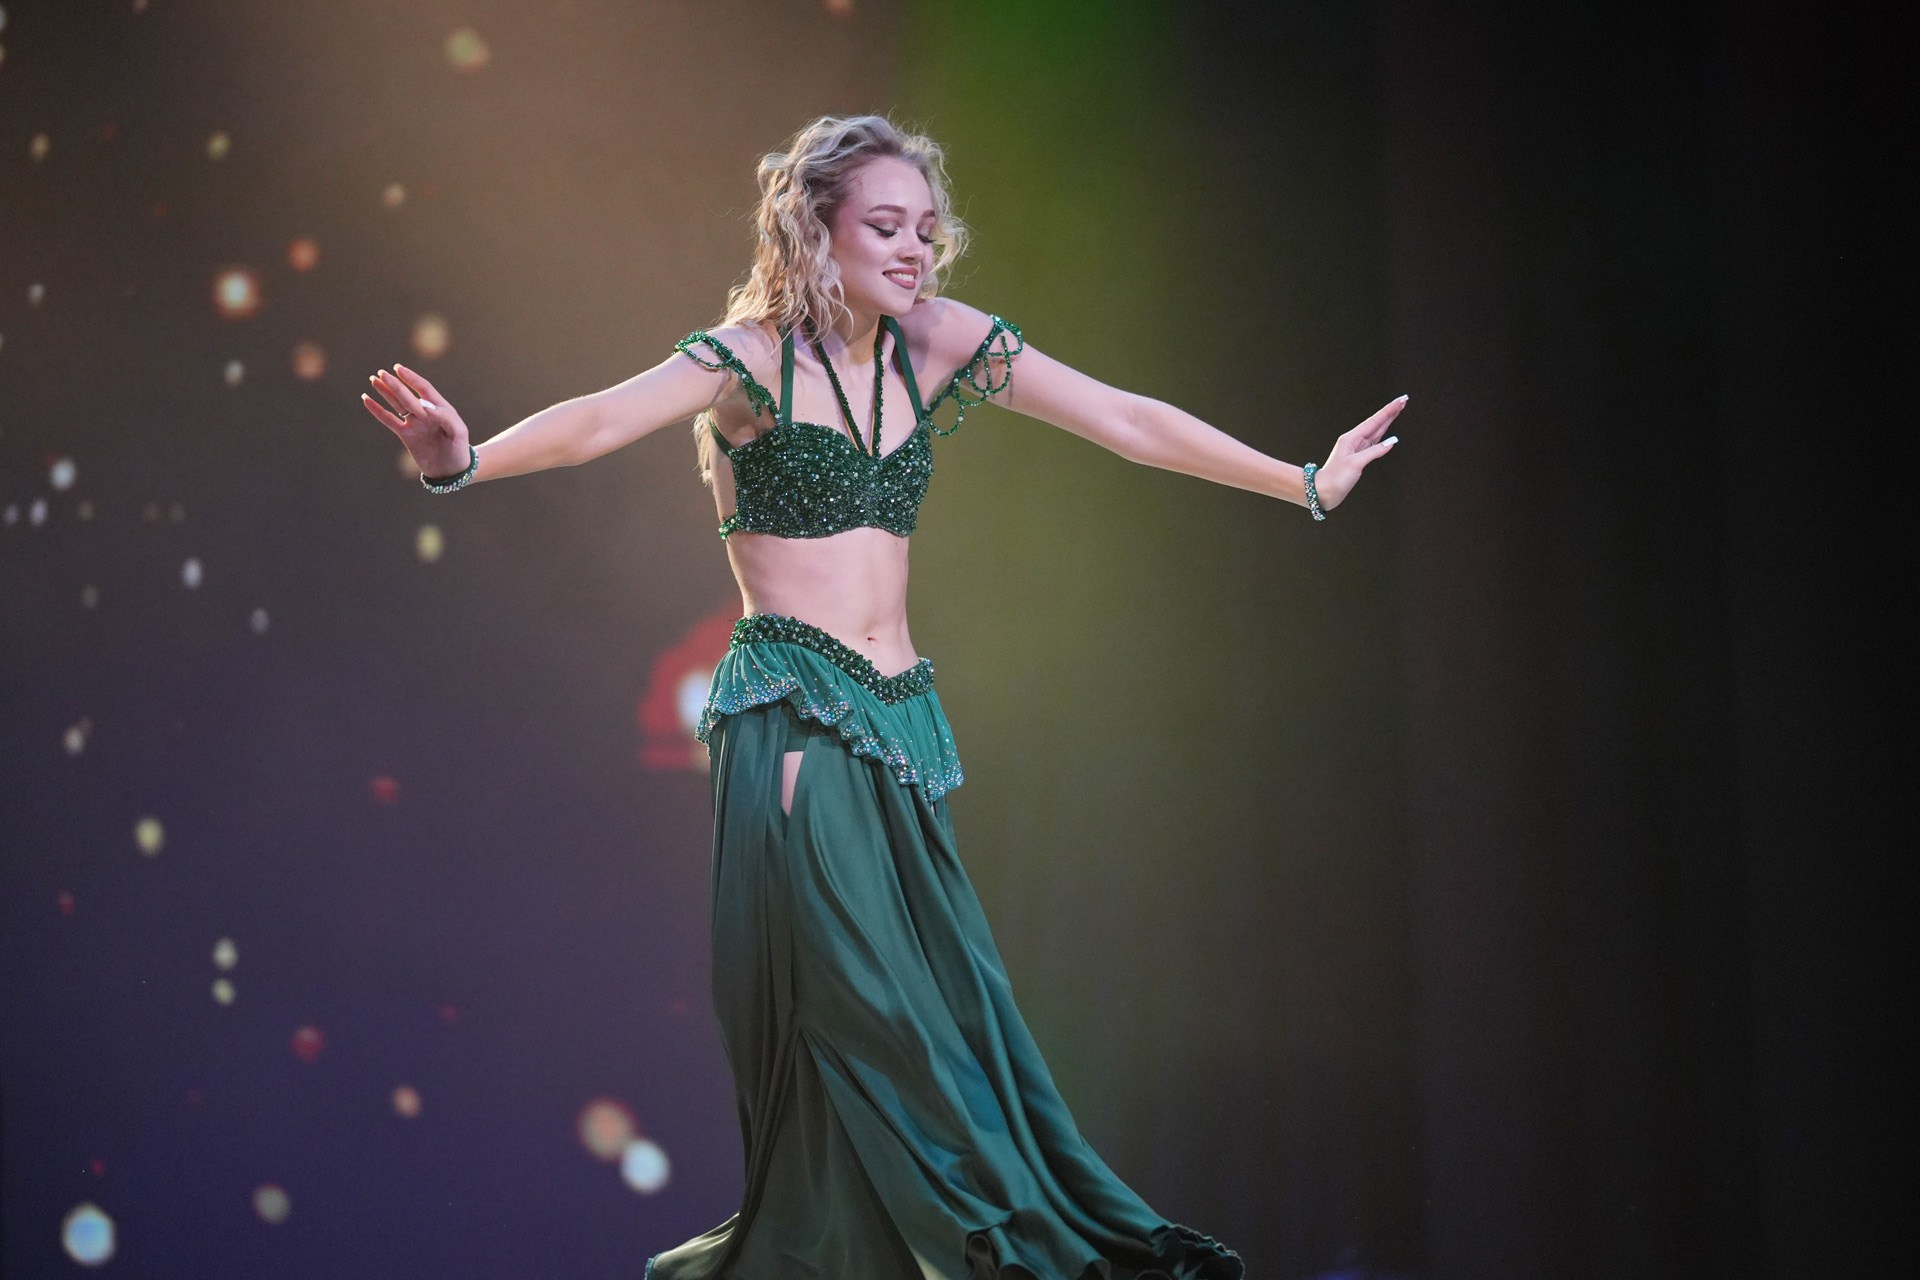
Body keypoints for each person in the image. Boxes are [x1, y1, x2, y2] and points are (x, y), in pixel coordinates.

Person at [361, 113, 1403, 1280]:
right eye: (888, 227)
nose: (916, 249)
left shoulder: (942, 341)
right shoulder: (746, 360)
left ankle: (919, 1249)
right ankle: (988, 1249)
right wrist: (465, 461)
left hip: (900, 722)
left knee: (950, 1006)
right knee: (868, 1002)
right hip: (791, 716)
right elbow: (600, 418)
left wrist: (1303, 482)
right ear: (817, 232)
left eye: (926, 229)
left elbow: (1125, 419)